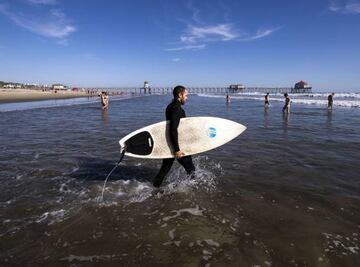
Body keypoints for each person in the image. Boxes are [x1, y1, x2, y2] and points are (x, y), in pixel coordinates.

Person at [153, 85, 195, 187]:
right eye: (186, 95)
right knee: (192, 170)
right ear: (180, 95)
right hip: (177, 145)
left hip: (169, 143)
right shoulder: (177, 108)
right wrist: (177, 149)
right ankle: (193, 190)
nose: (187, 97)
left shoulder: (170, 106)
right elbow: (173, 128)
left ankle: (154, 188)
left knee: (165, 169)